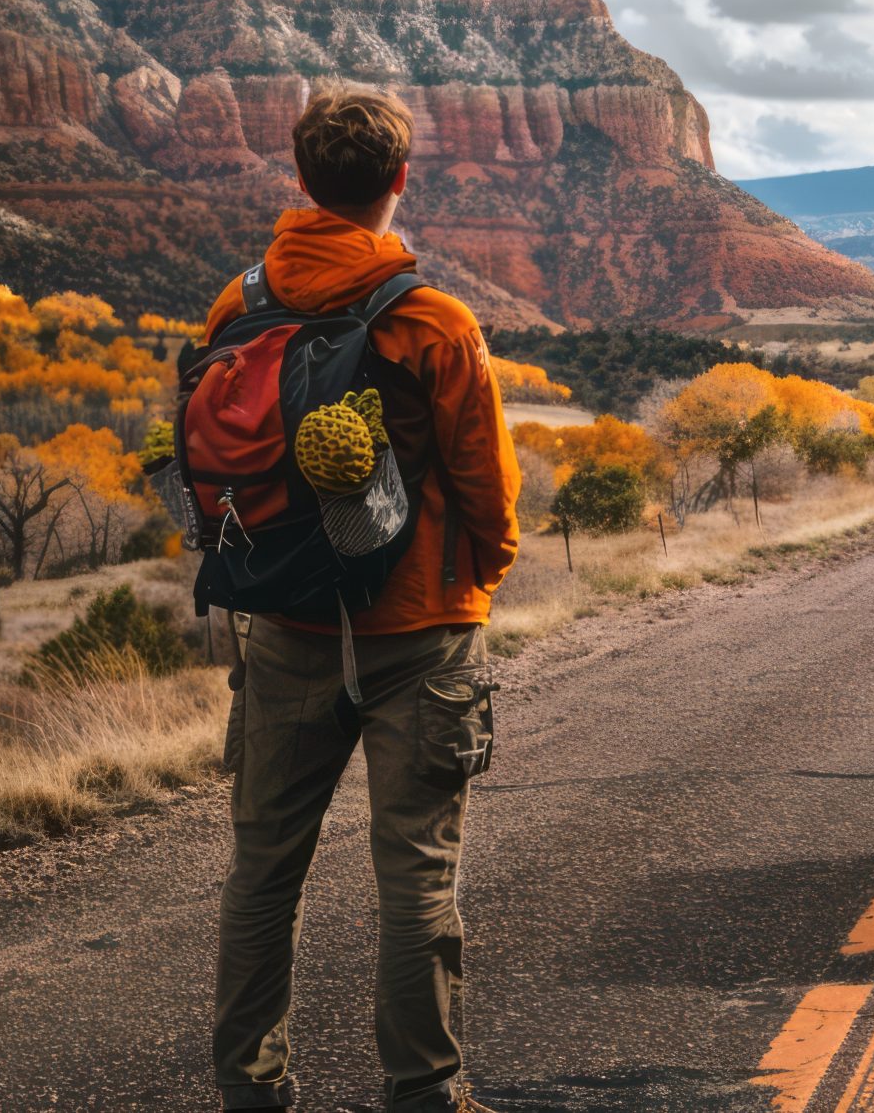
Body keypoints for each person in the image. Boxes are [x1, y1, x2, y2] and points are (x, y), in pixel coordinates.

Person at [207, 86, 520, 1113]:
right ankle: (425, 1094)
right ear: (398, 179)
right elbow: (488, 488)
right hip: (421, 633)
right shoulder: (433, 319)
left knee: (263, 873)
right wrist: (475, 574)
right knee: (415, 878)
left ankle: (252, 1092)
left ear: (300, 181)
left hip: (284, 628)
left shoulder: (236, 307)